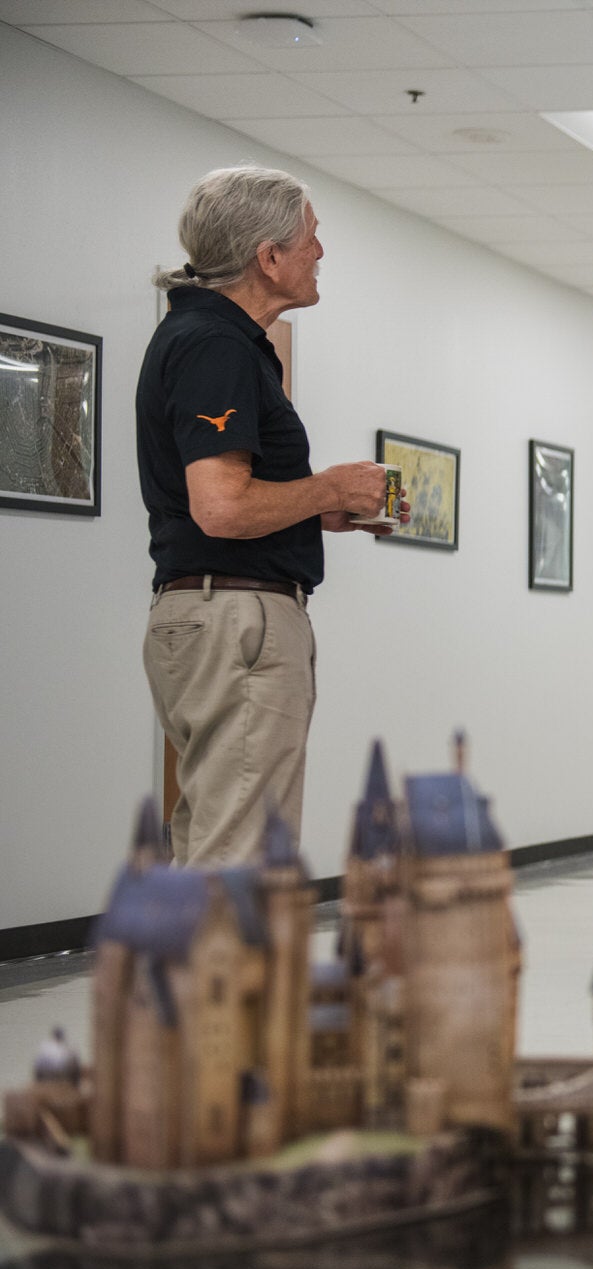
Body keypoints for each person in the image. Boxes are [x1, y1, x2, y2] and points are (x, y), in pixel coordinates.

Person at [139, 166, 399, 866]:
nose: (321, 251)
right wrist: (329, 486)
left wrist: (318, 510)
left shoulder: (202, 338)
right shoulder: (216, 346)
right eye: (311, 237)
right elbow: (221, 506)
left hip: (210, 616)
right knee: (241, 860)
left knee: (212, 843)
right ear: (269, 256)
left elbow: (220, 499)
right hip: (239, 624)